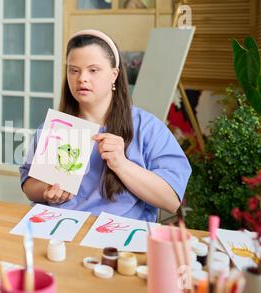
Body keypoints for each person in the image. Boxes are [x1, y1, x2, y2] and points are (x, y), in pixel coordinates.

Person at [19, 29, 192, 222]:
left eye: (93, 70)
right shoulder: (55, 128)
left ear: (114, 75)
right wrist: (46, 191)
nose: (81, 78)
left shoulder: (147, 128)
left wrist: (122, 164)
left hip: (119, 238)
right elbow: (29, 186)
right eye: (73, 70)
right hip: (60, 229)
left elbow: (172, 201)